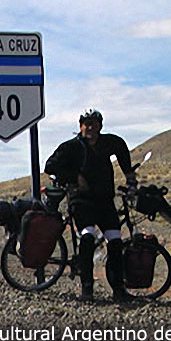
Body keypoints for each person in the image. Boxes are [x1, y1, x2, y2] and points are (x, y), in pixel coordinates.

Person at [44, 109, 138, 302]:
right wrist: (75, 177)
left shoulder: (108, 143)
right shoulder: (71, 147)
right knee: (87, 238)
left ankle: (118, 289)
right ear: (80, 127)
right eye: (86, 124)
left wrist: (129, 174)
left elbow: (121, 148)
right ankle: (87, 287)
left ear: (100, 127)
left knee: (115, 241)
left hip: (104, 201)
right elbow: (50, 166)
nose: (90, 127)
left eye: (94, 124)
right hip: (81, 201)